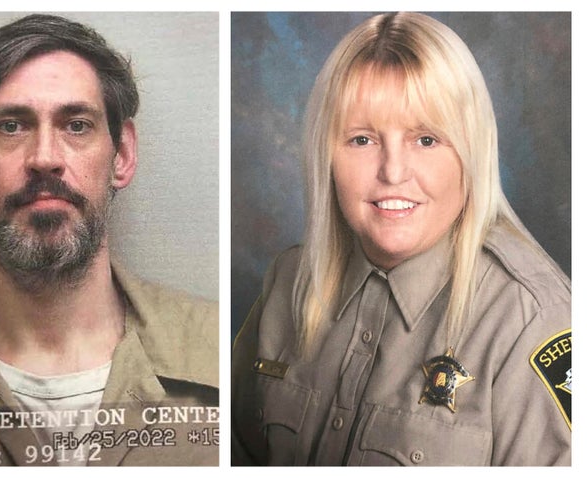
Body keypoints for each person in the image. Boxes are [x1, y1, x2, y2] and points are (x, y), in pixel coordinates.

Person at [232, 12, 570, 466]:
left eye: (426, 140)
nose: (392, 172)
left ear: (470, 153)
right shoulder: (287, 281)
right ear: (325, 155)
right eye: (361, 140)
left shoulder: (530, 318)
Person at [0, 14, 218, 466]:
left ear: (123, 155)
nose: (44, 159)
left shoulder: (218, 355)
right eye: (11, 126)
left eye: (76, 125)